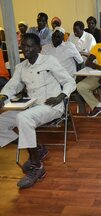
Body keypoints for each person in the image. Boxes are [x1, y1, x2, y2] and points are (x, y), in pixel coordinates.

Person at [0, 33, 76, 189]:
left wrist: (61, 96)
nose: (26, 49)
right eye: (23, 46)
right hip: (31, 106)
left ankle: (37, 166)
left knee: (23, 118)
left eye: (29, 46)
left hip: (52, 106)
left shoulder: (49, 61)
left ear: (38, 48)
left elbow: (69, 81)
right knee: (2, 122)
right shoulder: (22, 67)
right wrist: (3, 96)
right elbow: (13, 85)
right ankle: (37, 148)